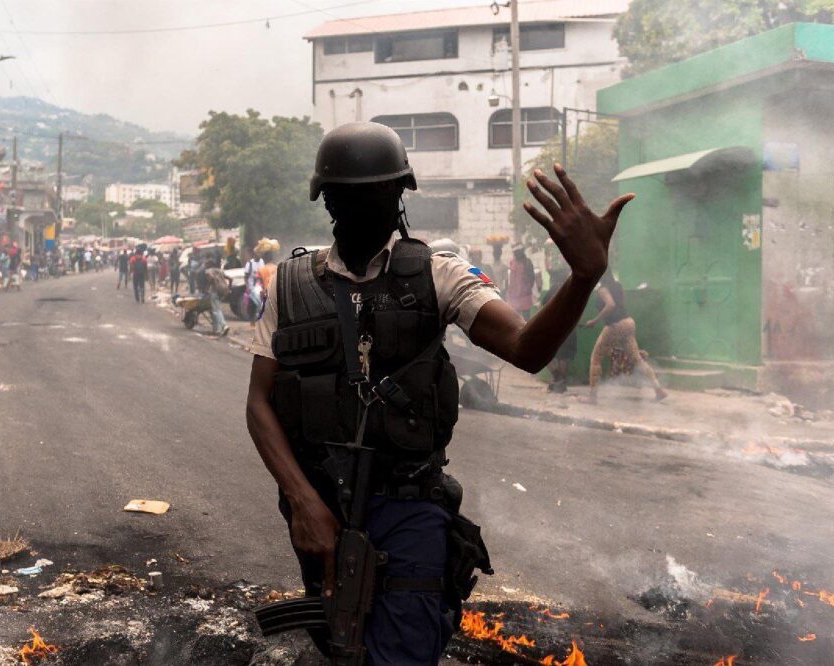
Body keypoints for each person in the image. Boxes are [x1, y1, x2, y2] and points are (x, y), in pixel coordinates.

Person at [245, 121, 632, 664]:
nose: (362, 206)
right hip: (322, 508)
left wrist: (583, 277)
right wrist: (304, 502)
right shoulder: (291, 287)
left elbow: (526, 348)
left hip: (409, 504)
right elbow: (259, 402)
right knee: (339, 641)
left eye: (378, 192)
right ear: (325, 200)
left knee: (404, 646)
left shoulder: (439, 275)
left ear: (400, 195)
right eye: (346, 195)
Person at [582, 272, 667, 403]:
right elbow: (621, 303)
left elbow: (611, 305)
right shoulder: (618, 286)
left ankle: (592, 397)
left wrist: (594, 321)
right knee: (637, 359)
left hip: (615, 325)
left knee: (596, 358)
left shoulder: (603, 289)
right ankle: (659, 390)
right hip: (628, 323)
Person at [506, 243, 536, 319]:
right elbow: (509, 278)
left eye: (518, 252)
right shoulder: (512, 262)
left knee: (526, 318)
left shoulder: (527, 262)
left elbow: (532, 277)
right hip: (513, 295)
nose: (517, 254)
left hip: (525, 295)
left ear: (522, 252)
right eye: (515, 252)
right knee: (514, 318)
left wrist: (527, 288)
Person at [204, 255, 231, 336]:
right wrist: (229, 288)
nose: (205, 265)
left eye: (206, 264)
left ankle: (224, 326)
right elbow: (230, 279)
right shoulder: (220, 271)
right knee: (216, 310)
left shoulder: (208, 271)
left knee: (216, 311)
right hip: (222, 292)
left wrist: (207, 287)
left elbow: (211, 279)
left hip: (214, 292)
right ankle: (216, 330)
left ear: (209, 264)